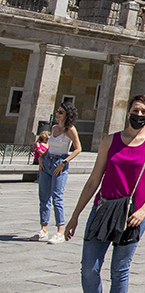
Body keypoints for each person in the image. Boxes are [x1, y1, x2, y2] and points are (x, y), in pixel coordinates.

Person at [65, 95, 145, 293]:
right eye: (135, 109)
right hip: (103, 209)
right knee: (89, 268)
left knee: (119, 271)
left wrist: (144, 210)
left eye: (143, 111)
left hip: (131, 214)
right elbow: (94, 179)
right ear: (128, 111)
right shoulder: (110, 141)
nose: (139, 114)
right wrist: (75, 215)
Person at [37, 101, 82, 244]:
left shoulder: (70, 130)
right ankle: (43, 229)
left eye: (61, 112)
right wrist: (41, 158)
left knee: (57, 197)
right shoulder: (54, 127)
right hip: (47, 162)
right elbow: (50, 147)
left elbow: (78, 148)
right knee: (43, 197)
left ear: (67, 115)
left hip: (59, 163)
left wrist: (64, 162)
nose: (57, 114)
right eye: (57, 111)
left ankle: (60, 231)